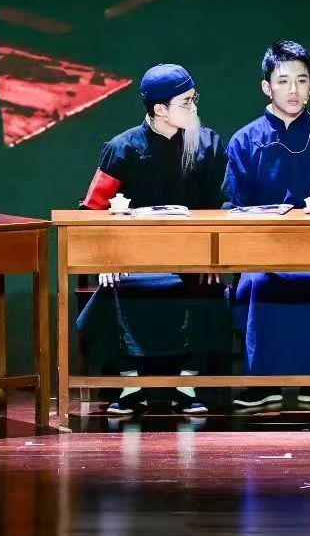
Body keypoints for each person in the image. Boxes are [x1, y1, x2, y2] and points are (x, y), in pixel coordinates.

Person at [76, 64, 231, 416]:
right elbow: (93, 209)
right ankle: (130, 384)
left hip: (192, 256)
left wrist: (213, 255)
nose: (194, 107)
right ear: (160, 109)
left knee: (209, 288)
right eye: (186, 102)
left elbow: (222, 206)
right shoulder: (122, 148)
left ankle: (187, 383)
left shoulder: (208, 144)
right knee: (118, 286)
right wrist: (106, 258)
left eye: (194, 99)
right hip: (133, 258)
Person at [224, 40, 310, 410]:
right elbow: (233, 208)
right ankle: (261, 385)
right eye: (283, 81)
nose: (293, 90)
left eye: (301, 80)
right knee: (255, 282)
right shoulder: (244, 140)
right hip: (261, 253)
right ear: (266, 87)